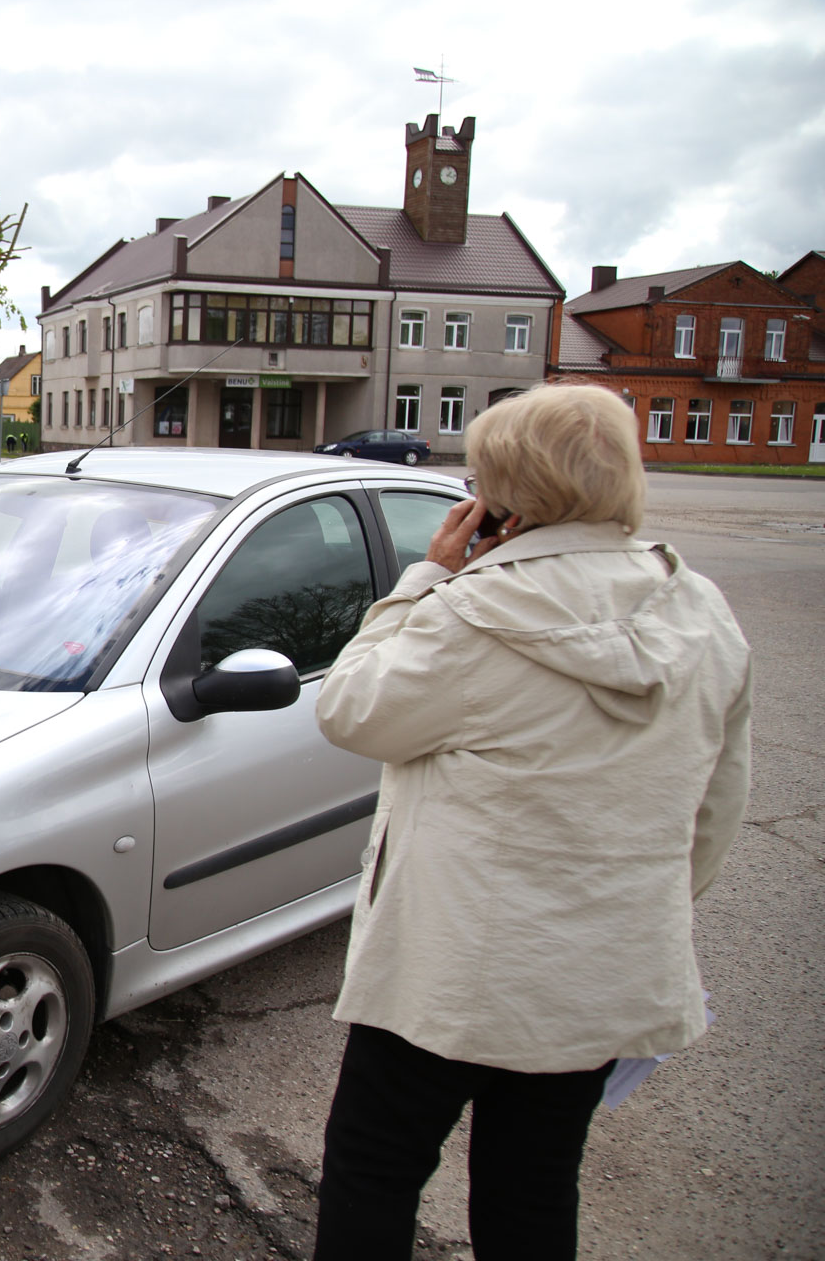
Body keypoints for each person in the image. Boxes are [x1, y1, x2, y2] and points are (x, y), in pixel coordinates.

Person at [309, 382, 752, 1260]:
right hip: (596, 975)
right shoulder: (702, 615)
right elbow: (713, 811)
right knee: (535, 1186)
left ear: (501, 498)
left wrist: (425, 578)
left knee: (375, 1170)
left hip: (447, 977)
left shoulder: (472, 613)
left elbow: (351, 710)